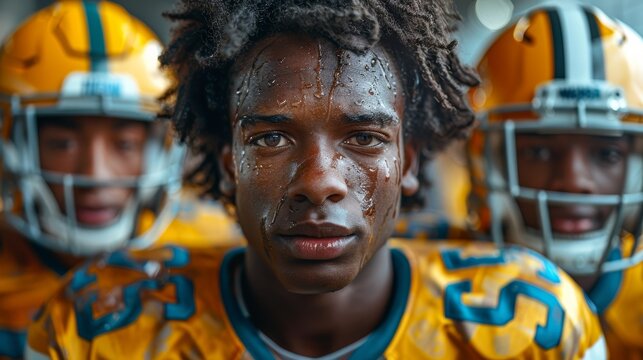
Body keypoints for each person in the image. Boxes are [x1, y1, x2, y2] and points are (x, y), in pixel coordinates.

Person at [25, 0, 605, 358]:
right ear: (229, 162)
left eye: (364, 138)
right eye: (271, 138)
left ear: (408, 161)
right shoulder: (97, 326)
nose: (320, 182)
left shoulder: (533, 327)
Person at [0, 1, 241, 358]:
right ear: (14, 145)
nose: (96, 175)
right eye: (62, 143)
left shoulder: (216, 253)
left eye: (125, 144)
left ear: (161, 149)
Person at [466, 2, 643, 357]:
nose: (574, 181)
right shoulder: (440, 291)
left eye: (607, 154)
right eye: (539, 152)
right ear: (490, 160)